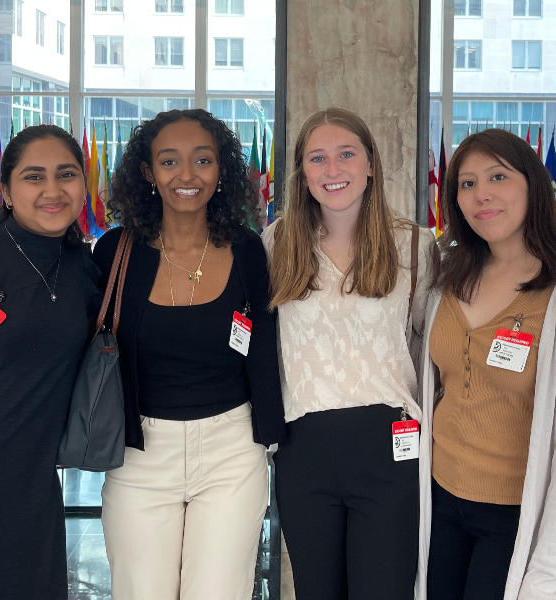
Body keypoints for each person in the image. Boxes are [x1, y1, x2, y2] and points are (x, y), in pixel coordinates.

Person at [92, 108, 286, 600]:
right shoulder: (115, 251)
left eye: (203, 160)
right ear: (147, 171)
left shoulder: (245, 249)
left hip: (231, 450)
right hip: (138, 454)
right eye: (169, 161)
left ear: (221, 170)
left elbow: (265, 343)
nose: (186, 175)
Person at [261, 107, 434, 600]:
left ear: (371, 164)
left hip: (389, 448)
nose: (332, 170)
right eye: (317, 158)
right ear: (302, 172)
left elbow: (426, 343)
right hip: (303, 449)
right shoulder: (277, 243)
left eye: (346, 154)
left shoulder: (414, 246)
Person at [417, 128, 556, 600]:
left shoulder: (552, 294)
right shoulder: (447, 274)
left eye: (498, 176)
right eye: (468, 184)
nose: (482, 195)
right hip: (440, 494)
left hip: (515, 509)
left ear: (532, 184)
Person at [0, 125, 101, 600]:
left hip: (31, 484)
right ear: (6, 190)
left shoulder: (88, 268)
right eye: (34, 176)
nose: (53, 190)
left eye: (66, 174)